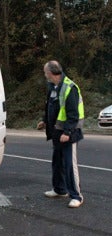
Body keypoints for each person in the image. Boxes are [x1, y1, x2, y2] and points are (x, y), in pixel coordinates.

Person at [37, 60, 85, 208]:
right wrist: (45, 121)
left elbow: (73, 114)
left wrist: (68, 132)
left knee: (70, 164)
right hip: (57, 132)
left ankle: (76, 196)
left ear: (51, 73)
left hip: (68, 133)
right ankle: (59, 189)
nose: (45, 74)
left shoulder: (70, 87)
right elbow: (51, 106)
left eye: (45, 72)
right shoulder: (52, 86)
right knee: (57, 162)